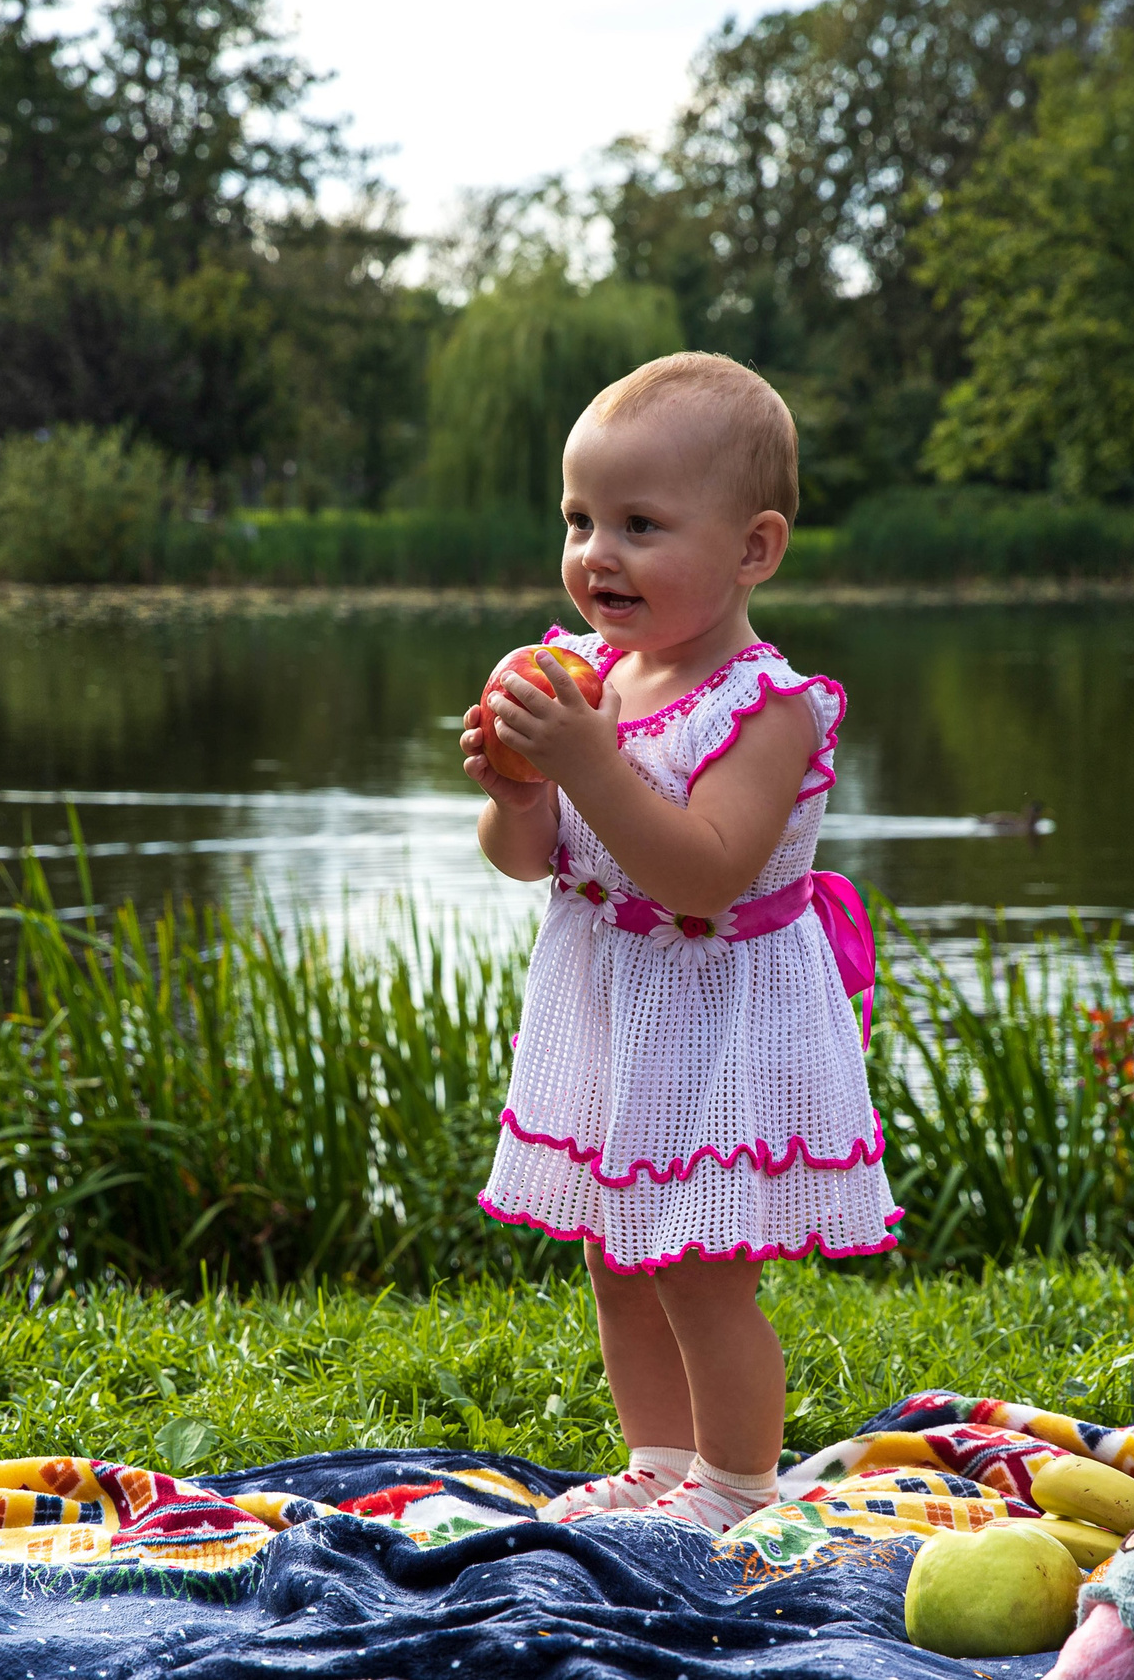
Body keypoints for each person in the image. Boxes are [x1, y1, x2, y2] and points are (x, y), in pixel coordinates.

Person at [460, 351, 897, 1533]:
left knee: (703, 1269)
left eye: (641, 525)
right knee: (616, 1252)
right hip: (612, 1008)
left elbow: (703, 877)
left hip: (718, 1019)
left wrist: (587, 764)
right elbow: (529, 860)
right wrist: (516, 793)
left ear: (754, 548)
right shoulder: (595, 680)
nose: (599, 553)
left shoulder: (769, 705)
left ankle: (741, 1485)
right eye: (580, 519)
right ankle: (660, 1461)